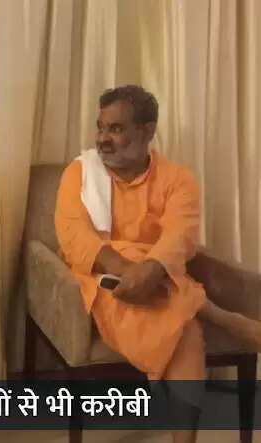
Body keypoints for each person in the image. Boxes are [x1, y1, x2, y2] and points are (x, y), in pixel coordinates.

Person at [54, 85, 260, 443]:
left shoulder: (178, 179)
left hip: (159, 280)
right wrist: (130, 267)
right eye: (100, 127)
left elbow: (181, 235)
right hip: (101, 279)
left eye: (116, 129)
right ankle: (224, 318)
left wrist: (149, 270)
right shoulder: (80, 173)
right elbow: (73, 235)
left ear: (147, 131)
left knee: (182, 327)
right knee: (181, 320)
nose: (102, 138)